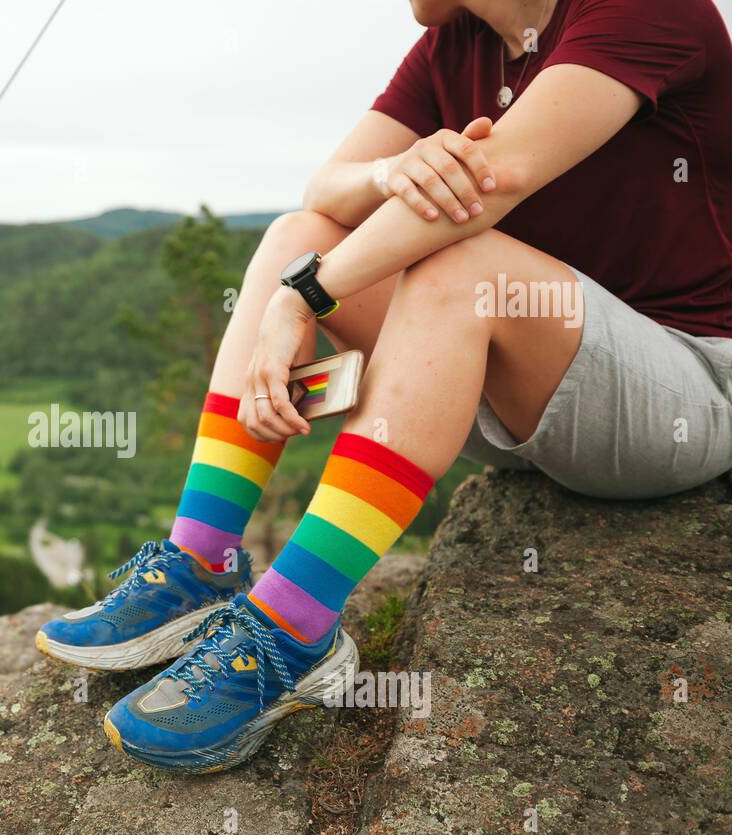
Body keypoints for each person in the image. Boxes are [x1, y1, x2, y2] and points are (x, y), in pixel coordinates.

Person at [35, 0, 732, 773]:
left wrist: (302, 299)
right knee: (295, 236)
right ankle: (202, 565)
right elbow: (327, 189)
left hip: (683, 392)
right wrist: (389, 171)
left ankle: (292, 630)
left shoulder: (646, 8)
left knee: (460, 264)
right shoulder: (452, 47)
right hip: (524, 396)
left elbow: (492, 182)